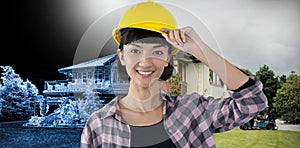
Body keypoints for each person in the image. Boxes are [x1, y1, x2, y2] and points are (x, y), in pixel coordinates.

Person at [80, 1, 268, 147]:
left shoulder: (193, 111)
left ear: (169, 57)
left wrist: (199, 49)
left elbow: (252, 101)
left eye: (157, 52)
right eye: (135, 51)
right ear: (121, 56)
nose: (145, 62)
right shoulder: (98, 125)